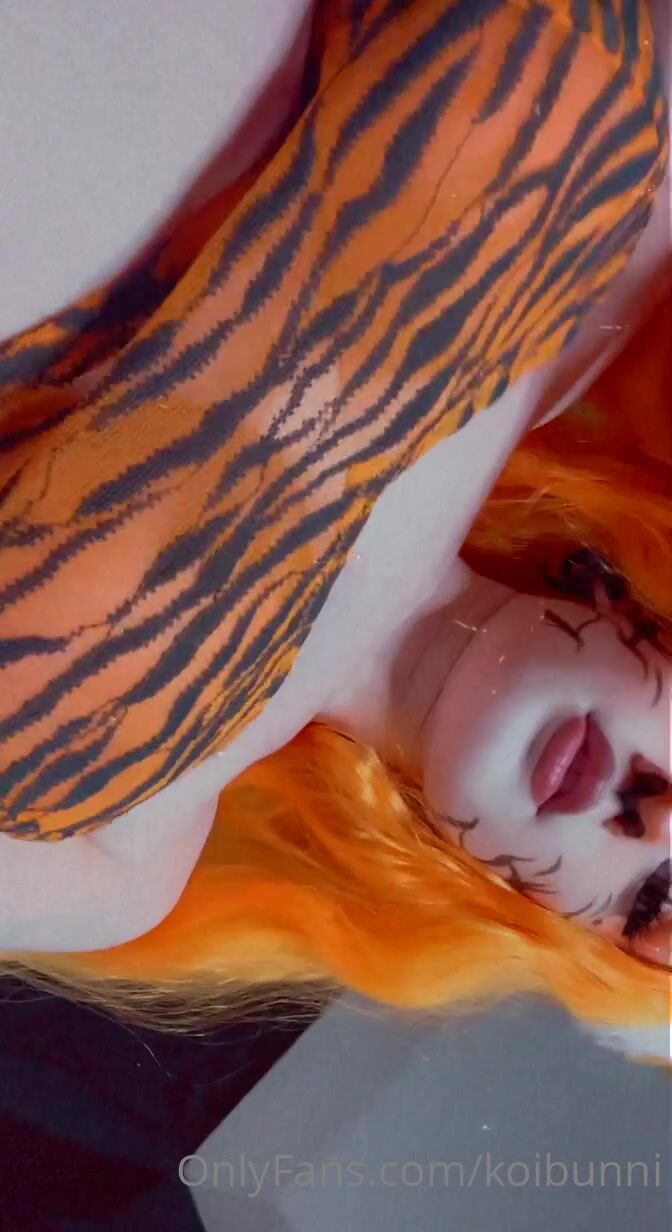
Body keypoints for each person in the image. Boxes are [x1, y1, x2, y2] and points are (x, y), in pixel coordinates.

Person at [0, 0, 669, 1063]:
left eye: (658, 900)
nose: (652, 815)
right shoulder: (607, 286)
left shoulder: (126, 865)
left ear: (554, 931)